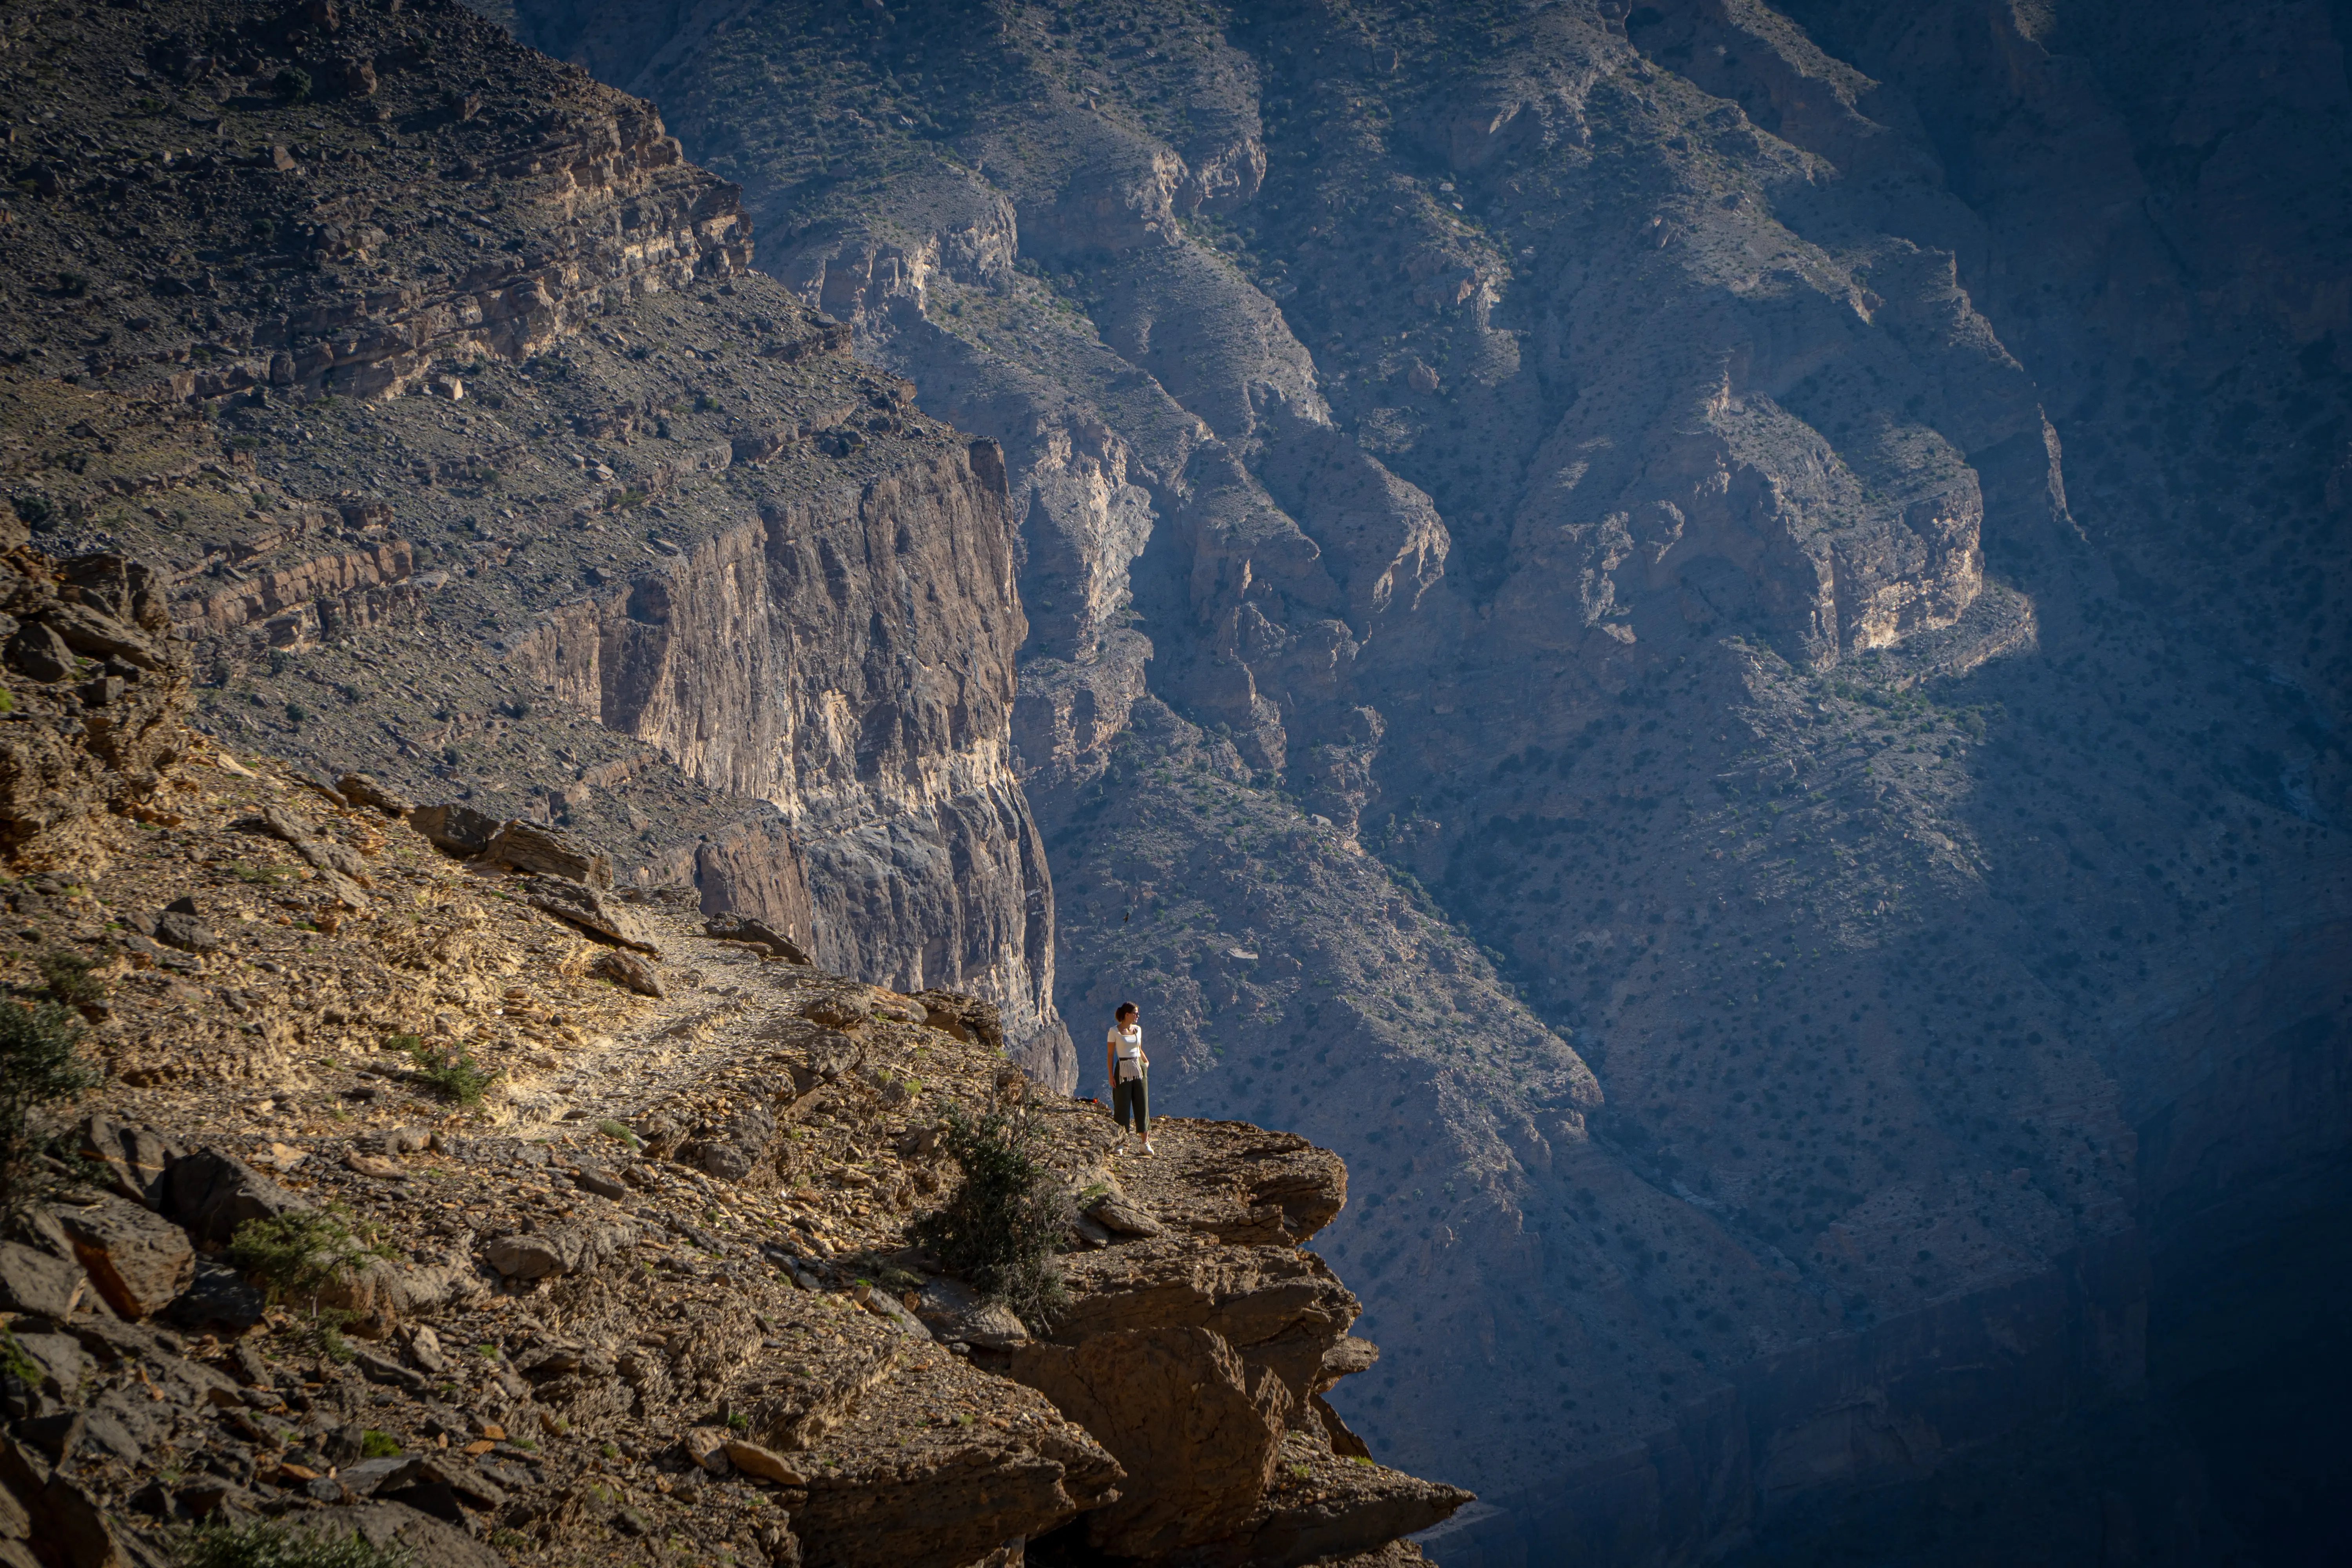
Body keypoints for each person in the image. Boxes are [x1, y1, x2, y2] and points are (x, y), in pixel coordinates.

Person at [1106, 1001, 1152, 1154]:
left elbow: (1139, 1049)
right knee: (1122, 1105)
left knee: (1142, 1103)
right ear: (1127, 1015)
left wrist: (1145, 1062)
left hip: (1138, 1067)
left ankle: (1145, 1143)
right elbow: (1111, 1054)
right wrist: (1111, 1075)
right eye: (1135, 1014)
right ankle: (1119, 1144)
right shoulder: (1114, 1031)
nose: (1137, 1016)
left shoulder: (1138, 1030)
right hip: (1123, 1068)